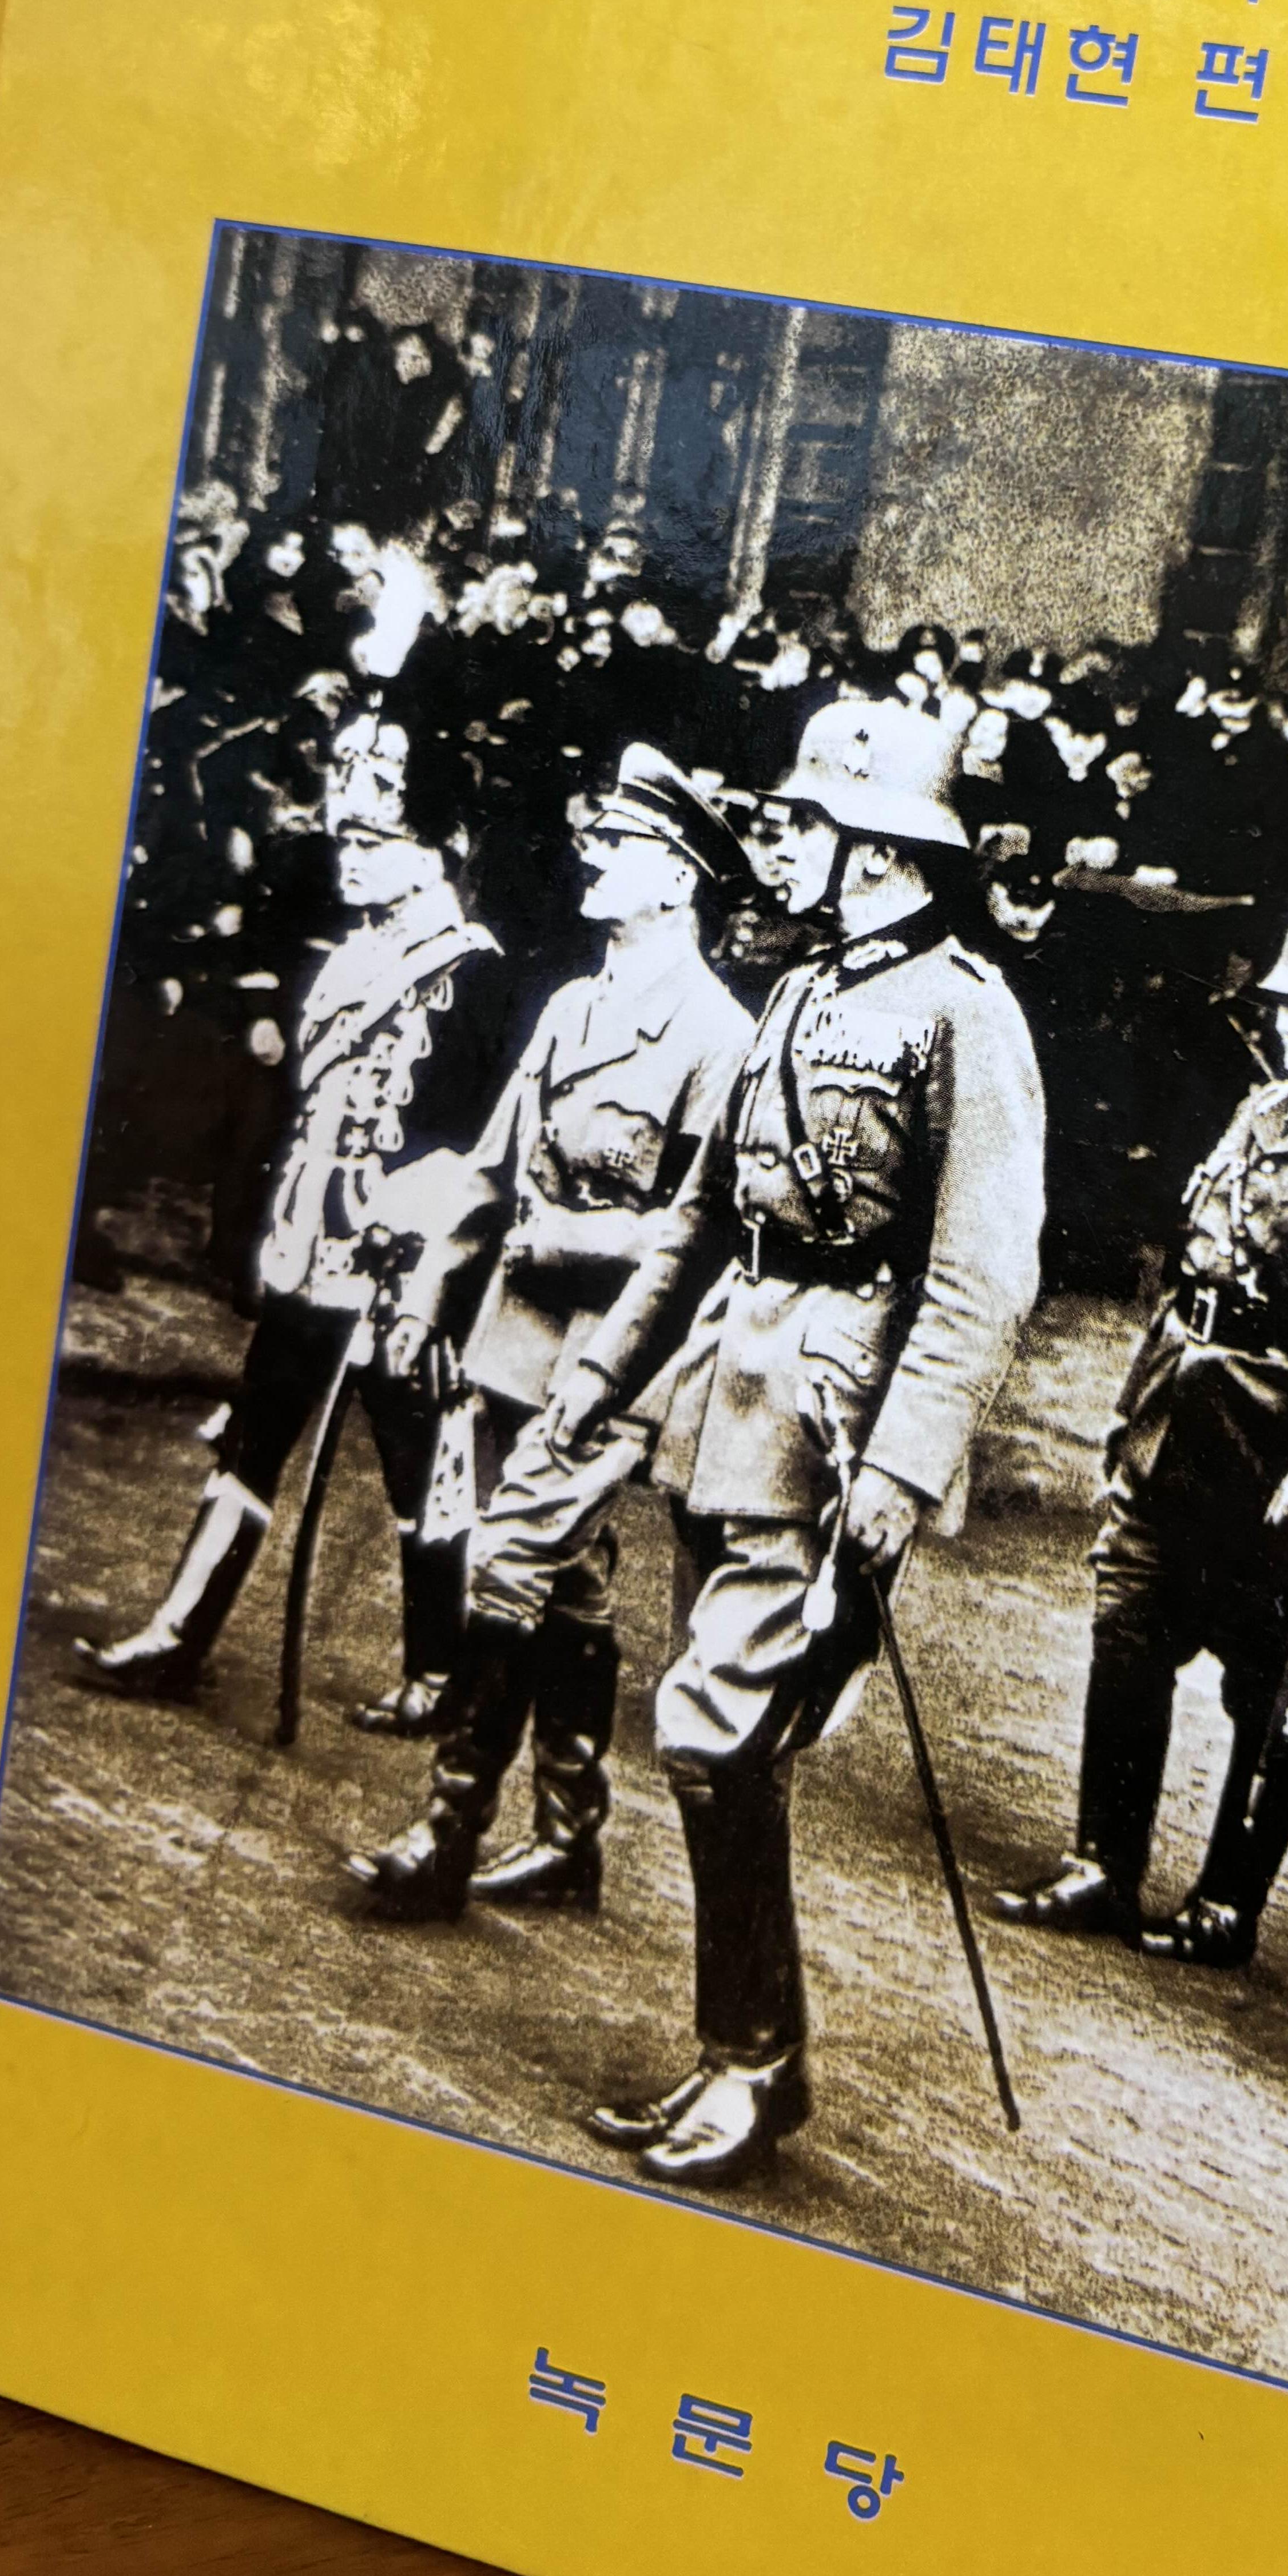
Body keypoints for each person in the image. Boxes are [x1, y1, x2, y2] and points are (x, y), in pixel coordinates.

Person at [540, 696, 1046, 2185]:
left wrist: (900, 1469)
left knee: (713, 1732)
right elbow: (707, 1213)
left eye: (807, 824)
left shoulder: (965, 1012)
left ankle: (753, 2064)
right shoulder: (804, 987)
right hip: (729, 1403)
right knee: (728, 1749)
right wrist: (609, 1370)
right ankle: (745, 2059)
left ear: (880, 848)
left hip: (835, 1424)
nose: (780, 844)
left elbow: (981, 1271)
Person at [992, 905, 1288, 1969]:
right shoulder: (1263, 1108)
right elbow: (1195, 1275)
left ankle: (1226, 1902)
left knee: (1273, 1674)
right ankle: (1102, 1862)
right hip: (1186, 1420)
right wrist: (1136, 1414)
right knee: (1128, 1625)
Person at [343, 747, 753, 1910]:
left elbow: (696, 1236)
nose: (595, 857)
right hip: (514, 1340)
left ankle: (447, 1831)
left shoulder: (717, 1038)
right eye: (599, 838)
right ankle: (570, 1837)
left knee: (509, 1562)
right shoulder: (573, 1006)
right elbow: (490, 1170)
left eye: (622, 846)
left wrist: (560, 1241)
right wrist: (428, 1296)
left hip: (616, 1351)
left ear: (676, 879)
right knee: (563, 1577)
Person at [75, 704, 512, 1711]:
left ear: (438, 850)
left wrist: (418, 1243)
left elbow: (473, 1141)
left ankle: (437, 1673)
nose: (353, 858)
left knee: (419, 1468)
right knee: (254, 1435)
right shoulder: (353, 955)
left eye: (377, 843)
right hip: (313, 1243)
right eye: (348, 842)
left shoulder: (472, 973)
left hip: (405, 1271)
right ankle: (176, 1635)